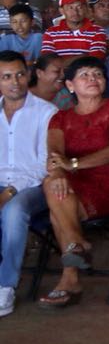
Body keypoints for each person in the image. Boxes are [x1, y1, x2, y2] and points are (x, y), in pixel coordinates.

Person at [38, 56, 109, 309]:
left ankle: (70, 275)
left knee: (57, 210)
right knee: (54, 187)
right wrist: (59, 173)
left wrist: (70, 166)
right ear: (70, 85)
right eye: (85, 75)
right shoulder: (60, 118)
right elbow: (54, 156)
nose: (93, 79)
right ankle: (76, 245)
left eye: (98, 74)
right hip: (74, 185)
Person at [0, 51, 57, 318]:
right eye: (7, 77)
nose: (15, 82)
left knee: (13, 211)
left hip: (35, 187)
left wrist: (11, 191)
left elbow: (46, 163)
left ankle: (5, 285)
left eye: (20, 74)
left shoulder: (46, 112)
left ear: (29, 74)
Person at [41, 0, 107, 58]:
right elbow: (49, 63)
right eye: (70, 8)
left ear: (86, 9)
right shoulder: (51, 33)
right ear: (61, 11)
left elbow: (95, 61)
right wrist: (84, 56)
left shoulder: (97, 31)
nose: (75, 12)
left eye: (80, 7)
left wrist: (62, 62)